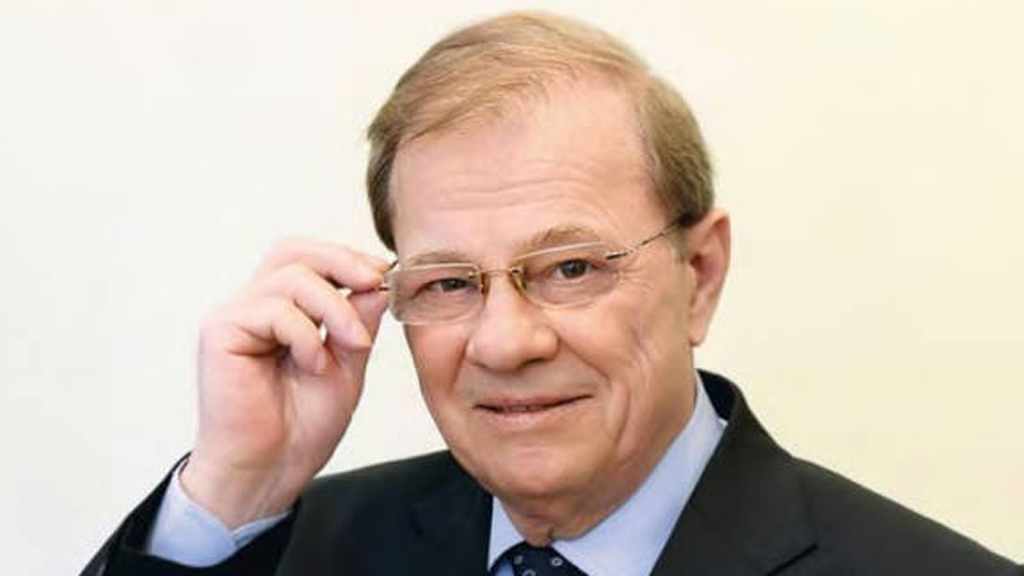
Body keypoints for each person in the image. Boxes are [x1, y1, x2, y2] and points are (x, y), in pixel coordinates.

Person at [81, 11, 1020, 576]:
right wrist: (236, 486)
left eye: (571, 268)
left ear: (699, 275)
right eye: (451, 281)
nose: (504, 341)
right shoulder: (299, 549)